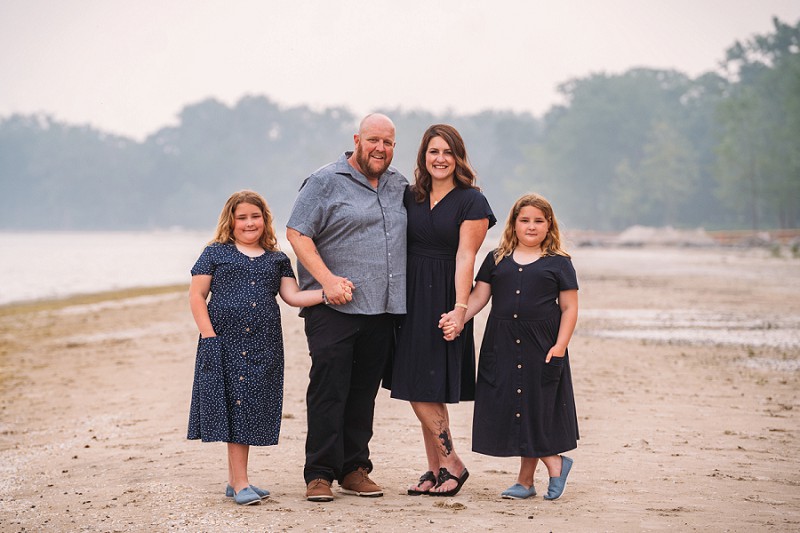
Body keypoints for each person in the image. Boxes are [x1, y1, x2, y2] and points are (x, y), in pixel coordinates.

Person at [286, 113, 408, 502]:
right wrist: (326, 281)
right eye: (373, 140)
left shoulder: (398, 185)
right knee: (329, 390)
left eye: (388, 142)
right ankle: (319, 473)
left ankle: (354, 468)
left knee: (363, 393)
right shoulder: (325, 181)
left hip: (381, 309)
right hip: (332, 311)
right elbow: (297, 233)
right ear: (357, 139)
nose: (380, 148)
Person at [187, 190, 326, 506]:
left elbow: (293, 297)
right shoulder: (215, 253)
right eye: (242, 217)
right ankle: (240, 483)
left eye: (255, 216)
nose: (249, 223)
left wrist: (328, 293)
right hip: (223, 342)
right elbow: (197, 296)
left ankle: (236, 480)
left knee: (249, 407)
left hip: (264, 345)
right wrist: (208, 336)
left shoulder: (278, 259)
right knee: (235, 406)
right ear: (231, 221)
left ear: (265, 220)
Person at [441, 193, 579, 501]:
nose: (531, 227)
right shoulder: (496, 259)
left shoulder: (559, 263)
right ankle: (529, 479)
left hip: (542, 345)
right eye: (525, 220)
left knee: (534, 409)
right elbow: (479, 297)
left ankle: (552, 465)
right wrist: (459, 317)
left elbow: (569, 308)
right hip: (501, 344)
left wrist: (560, 346)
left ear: (549, 225)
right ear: (513, 224)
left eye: (538, 221)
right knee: (514, 407)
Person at [388, 124, 495, 497]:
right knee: (423, 386)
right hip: (409, 298)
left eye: (447, 152)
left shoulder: (472, 201)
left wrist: (460, 310)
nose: (440, 159)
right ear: (423, 156)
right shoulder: (410, 196)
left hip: (445, 299)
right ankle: (435, 470)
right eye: (433, 151)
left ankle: (453, 464)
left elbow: (467, 255)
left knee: (422, 384)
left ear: (458, 157)